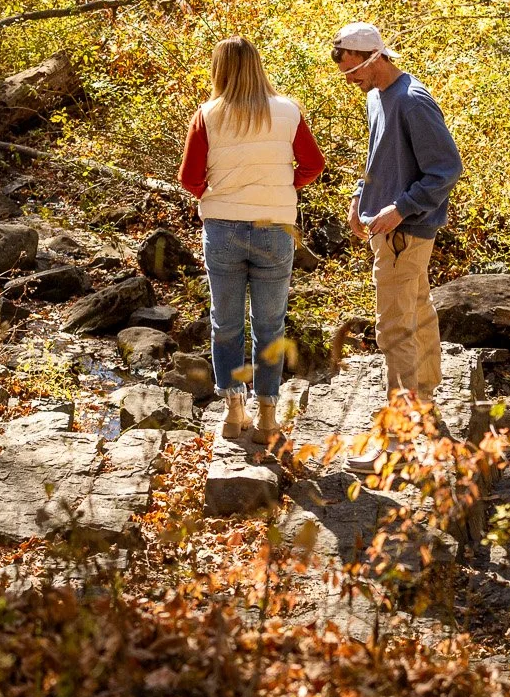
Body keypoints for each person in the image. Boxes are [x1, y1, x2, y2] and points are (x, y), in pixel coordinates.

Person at [178, 36, 326, 442]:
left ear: (219, 69)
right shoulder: (288, 110)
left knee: (225, 323)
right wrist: (287, 186)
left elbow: (189, 179)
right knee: (270, 324)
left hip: (223, 227)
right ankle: (268, 418)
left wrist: (216, 193)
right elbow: (314, 164)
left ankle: (233, 412)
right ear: (258, 66)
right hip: (275, 229)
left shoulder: (208, 114)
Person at [332, 22, 463, 406]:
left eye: (353, 71)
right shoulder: (377, 96)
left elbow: (446, 169)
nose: (350, 79)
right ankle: (423, 396)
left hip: (405, 231)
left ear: (375, 57)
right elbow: (380, 157)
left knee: (392, 328)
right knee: (417, 308)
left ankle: (400, 426)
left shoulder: (412, 100)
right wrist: (361, 194)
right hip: (390, 228)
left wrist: (400, 208)